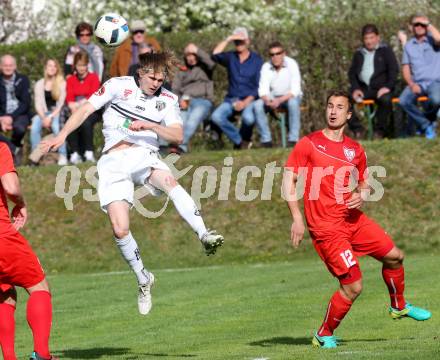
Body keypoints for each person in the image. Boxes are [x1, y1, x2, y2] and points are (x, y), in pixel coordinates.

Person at [41, 52, 224, 316]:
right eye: (152, 77)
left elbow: (177, 134)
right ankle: (143, 278)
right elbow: (85, 110)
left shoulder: (167, 99)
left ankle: (204, 233)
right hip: (113, 161)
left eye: (161, 79)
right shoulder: (117, 86)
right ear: (140, 73)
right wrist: (62, 134)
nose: (156, 83)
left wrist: (150, 125)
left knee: (169, 180)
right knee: (120, 228)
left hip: (144, 155)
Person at [283, 90, 431, 349]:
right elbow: (288, 179)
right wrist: (297, 217)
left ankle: (398, 306)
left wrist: (361, 195)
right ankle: (323, 333)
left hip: (352, 220)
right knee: (353, 287)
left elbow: (364, 183)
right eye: (330, 106)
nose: (333, 111)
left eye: (339, 107)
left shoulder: (355, 149)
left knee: (395, 256)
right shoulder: (310, 143)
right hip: (327, 227)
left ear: (348, 114)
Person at [0, 143, 57, 360]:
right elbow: (11, 187)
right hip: (2, 237)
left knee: (4, 292)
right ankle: (42, 354)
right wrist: (21, 202)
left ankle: (9, 357)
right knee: (39, 287)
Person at [211, 27, 263, 149]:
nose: (239, 43)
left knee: (248, 119)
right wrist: (228, 39)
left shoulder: (257, 60)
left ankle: (242, 141)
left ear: (247, 41)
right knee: (216, 117)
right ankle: (240, 142)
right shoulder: (230, 57)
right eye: (236, 41)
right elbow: (215, 55)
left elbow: (259, 86)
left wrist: (245, 102)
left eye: (241, 41)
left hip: (250, 99)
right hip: (231, 99)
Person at [348, 24, 399, 139]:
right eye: (366, 38)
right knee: (342, 101)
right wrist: (355, 88)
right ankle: (358, 129)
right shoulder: (359, 53)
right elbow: (352, 73)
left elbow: (394, 70)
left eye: (371, 38)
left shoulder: (386, 51)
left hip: (381, 89)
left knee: (386, 100)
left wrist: (388, 86)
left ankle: (379, 132)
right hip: (363, 89)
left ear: (377, 37)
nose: (369, 41)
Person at [253, 41, 302, 147]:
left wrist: (279, 100)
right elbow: (263, 90)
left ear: (284, 53)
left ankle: (293, 139)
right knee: (257, 105)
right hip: (272, 98)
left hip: (290, 97)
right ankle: (266, 140)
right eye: (272, 54)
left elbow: (295, 90)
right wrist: (268, 100)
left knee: (293, 103)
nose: (275, 57)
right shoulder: (266, 67)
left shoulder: (292, 64)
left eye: (278, 53)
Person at [399, 14, 440, 139]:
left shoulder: (433, 40)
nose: (419, 27)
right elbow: (405, 68)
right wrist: (411, 84)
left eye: (422, 24)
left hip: (435, 82)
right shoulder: (409, 46)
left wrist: (428, 24)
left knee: (436, 100)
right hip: (417, 83)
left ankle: (427, 122)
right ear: (412, 27)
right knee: (403, 101)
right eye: (416, 24)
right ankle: (426, 125)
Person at [172, 43, 216, 153]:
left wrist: (196, 49)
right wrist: (179, 99)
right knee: (181, 122)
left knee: (193, 120)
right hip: (185, 100)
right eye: (188, 55)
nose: (191, 58)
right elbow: (175, 89)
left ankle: (179, 145)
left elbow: (211, 62)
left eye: (193, 55)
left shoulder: (205, 67)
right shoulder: (181, 70)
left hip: (203, 100)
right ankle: (181, 148)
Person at [65, 50, 101, 164]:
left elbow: (93, 96)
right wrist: (74, 107)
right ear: (75, 66)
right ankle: (75, 153)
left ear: (87, 65)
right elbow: (69, 98)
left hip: (92, 110)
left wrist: (80, 105)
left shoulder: (94, 77)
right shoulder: (71, 79)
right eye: (79, 65)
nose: (81, 68)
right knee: (71, 121)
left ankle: (89, 152)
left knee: (85, 121)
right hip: (75, 109)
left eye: (84, 65)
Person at [30, 59, 67, 166]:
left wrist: (50, 117)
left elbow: (61, 104)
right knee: (34, 128)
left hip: (56, 113)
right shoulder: (39, 84)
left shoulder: (62, 83)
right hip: (43, 114)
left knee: (56, 127)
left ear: (57, 69)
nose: (52, 68)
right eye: (49, 66)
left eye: (54, 66)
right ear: (46, 68)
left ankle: (63, 155)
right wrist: (43, 117)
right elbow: (38, 104)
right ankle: (36, 157)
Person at [0, 54, 32, 164]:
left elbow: (25, 103)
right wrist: (1, 118)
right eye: (5, 65)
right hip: (2, 115)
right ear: (1, 66)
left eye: (10, 65)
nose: (8, 68)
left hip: (20, 114)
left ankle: (14, 148)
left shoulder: (23, 79)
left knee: (20, 129)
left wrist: (11, 117)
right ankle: (12, 148)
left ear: (15, 66)